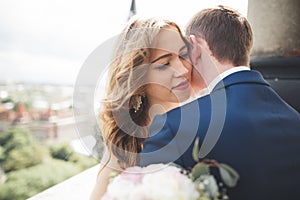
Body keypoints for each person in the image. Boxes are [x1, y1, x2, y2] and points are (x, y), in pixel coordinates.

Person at [140, 5, 300, 200]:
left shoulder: (175, 125)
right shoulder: (295, 120)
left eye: (184, 54)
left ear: (195, 46)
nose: (183, 68)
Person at [90, 16, 204, 199]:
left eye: (183, 55)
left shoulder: (205, 121)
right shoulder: (125, 140)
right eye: (165, 64)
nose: (182, 70)